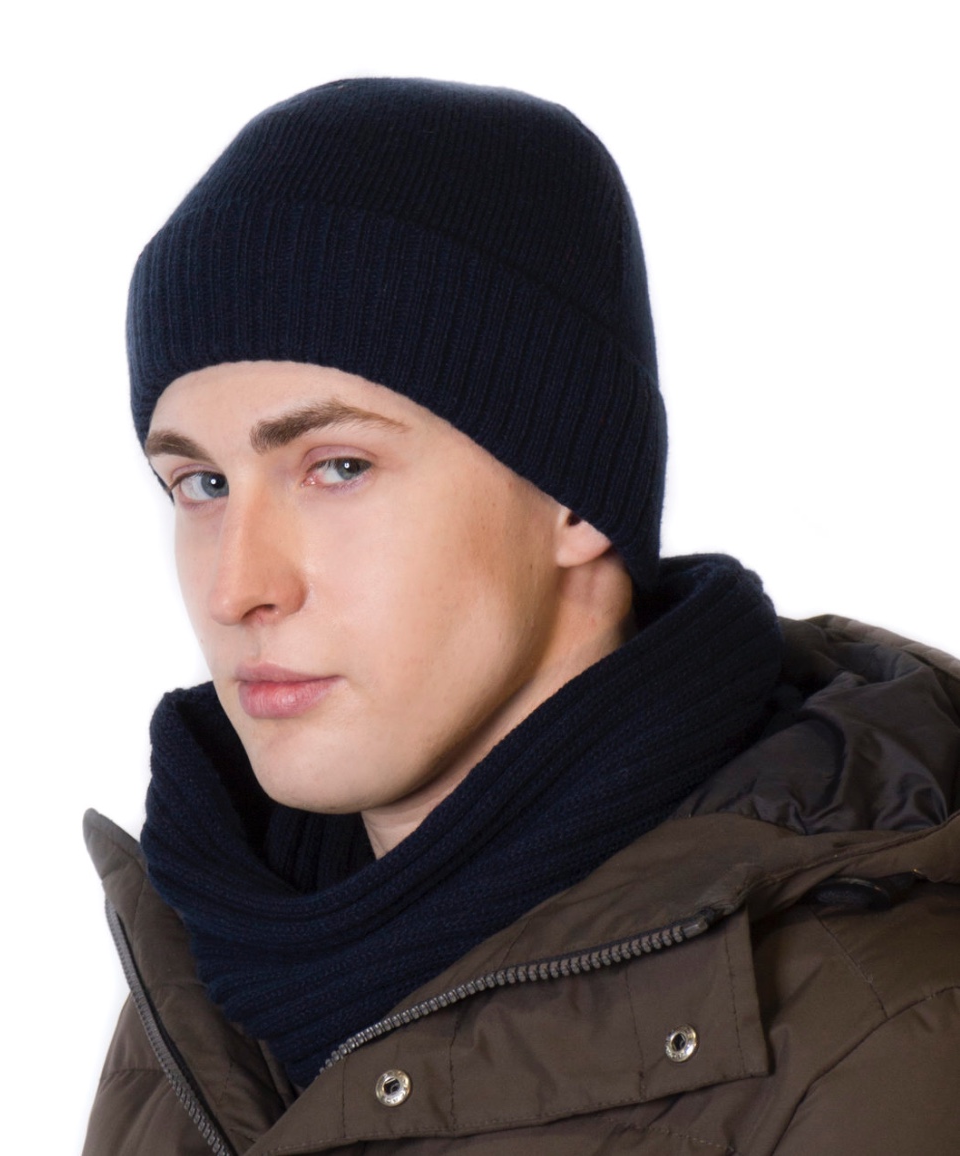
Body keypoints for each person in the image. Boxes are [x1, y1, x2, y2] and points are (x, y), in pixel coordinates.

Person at [83, 78, 960, 1155]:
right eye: (202, 485)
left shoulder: (880, 1039)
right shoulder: (204, 984)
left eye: (338, 466)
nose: (237, 588)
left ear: (575, 496)